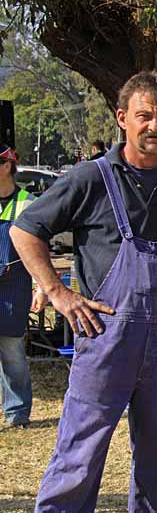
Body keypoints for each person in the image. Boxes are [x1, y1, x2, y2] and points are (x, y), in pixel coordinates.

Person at [11, 71, 157, 512]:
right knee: (80, 455)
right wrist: (58, 293)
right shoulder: (91, 179)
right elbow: (25, 231)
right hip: (105, 336)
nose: (154, 127)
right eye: (145, 116)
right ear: (122, 118)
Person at [0, 143, 46, 429]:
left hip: (13, 288)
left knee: (12, 351)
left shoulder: (28, 203)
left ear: (7, 166)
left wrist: (42, 288)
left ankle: (17, 413)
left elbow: (40, 251)